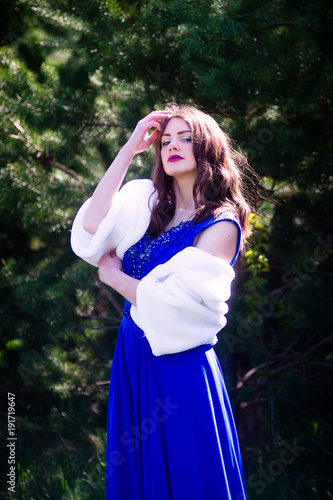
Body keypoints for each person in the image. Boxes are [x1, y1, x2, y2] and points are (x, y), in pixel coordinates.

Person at [70, 104, 251, 499]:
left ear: (208, 148)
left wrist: (115, 278)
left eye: (186, 138)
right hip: (134, 352)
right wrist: (131, 147)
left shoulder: (221, 223)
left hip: (179, 364)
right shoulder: (151, 205)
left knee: (188, 474)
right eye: (166, 139)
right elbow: (91, 226)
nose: (173, 145)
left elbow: (176, 307)